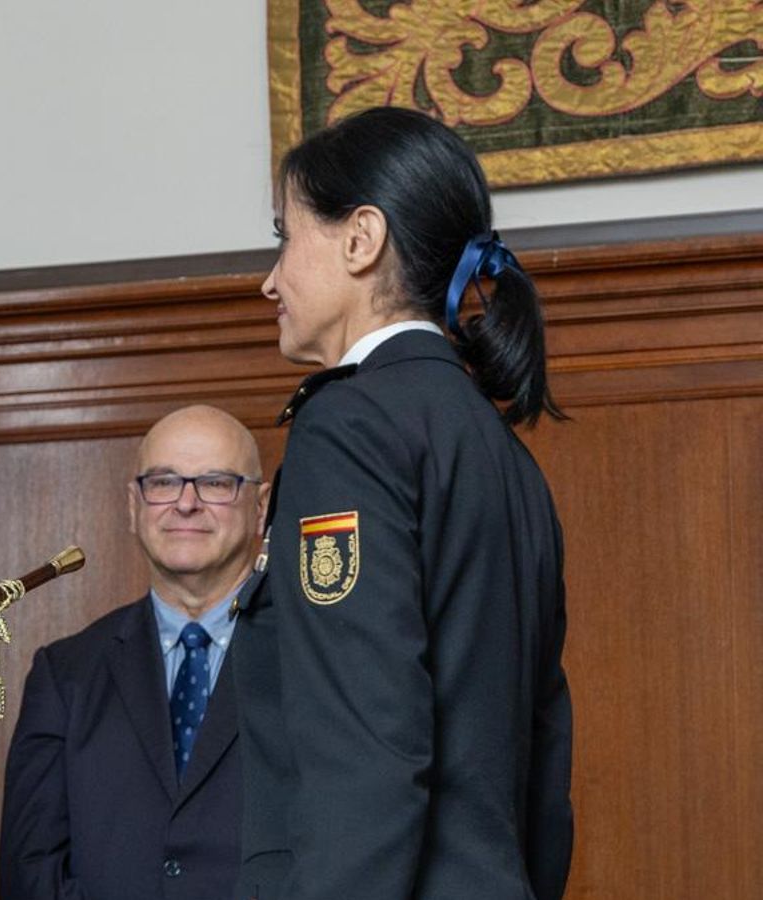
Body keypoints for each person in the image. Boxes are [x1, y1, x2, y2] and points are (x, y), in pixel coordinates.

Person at [231, 106, 573, 900]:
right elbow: (545, 757)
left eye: (284, 236)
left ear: (361, 239)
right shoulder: (506, 458)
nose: (270, 279)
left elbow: (365, 747)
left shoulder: (349, 426)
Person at [0, 405, 269, 900]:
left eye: (215, 482)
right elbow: (30, 873)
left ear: (260, 507)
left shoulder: (316, 660)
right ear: (133, 506)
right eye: (164, 482)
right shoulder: (65, 674)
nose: (186, 504)